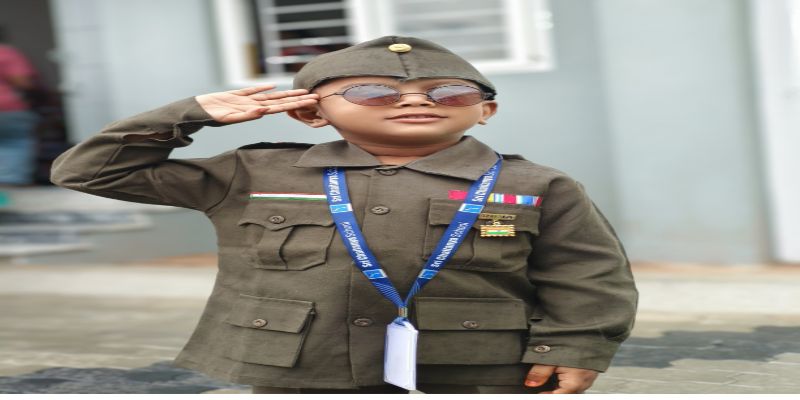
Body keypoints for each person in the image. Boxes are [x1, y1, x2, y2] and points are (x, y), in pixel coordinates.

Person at [50, 36, 638, 394]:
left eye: (449, 93)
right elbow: (88, 172)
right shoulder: (254, 172)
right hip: (304, 368)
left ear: (486, 111)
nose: (415, 100)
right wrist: (189, 115)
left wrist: (575, 348)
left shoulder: (535, 185)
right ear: (312, 113)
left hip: (475, 368)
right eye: (372, 93)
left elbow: (587, 274)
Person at [0, 28, 39, 186]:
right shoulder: (7, 53)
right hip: (7, 109)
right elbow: (22, 82)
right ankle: (11, 188)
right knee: (15, 143)